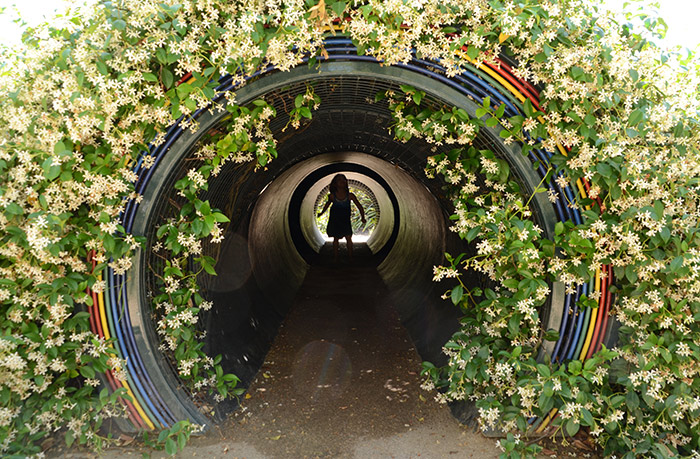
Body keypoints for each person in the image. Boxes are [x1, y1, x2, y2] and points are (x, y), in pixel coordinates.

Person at [318, 174, 366, 261]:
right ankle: (336, 258)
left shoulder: (350, 195)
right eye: (339, 180)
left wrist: (363, 217)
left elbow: (359, 206)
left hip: (345, 221)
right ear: (335, 184)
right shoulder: (332, 196)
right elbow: (327, 205)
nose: (342, 181)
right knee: (336, 238)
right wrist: (321, 213)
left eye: (344, 180)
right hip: (335, 220)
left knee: (348, 238)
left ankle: (350, 257)